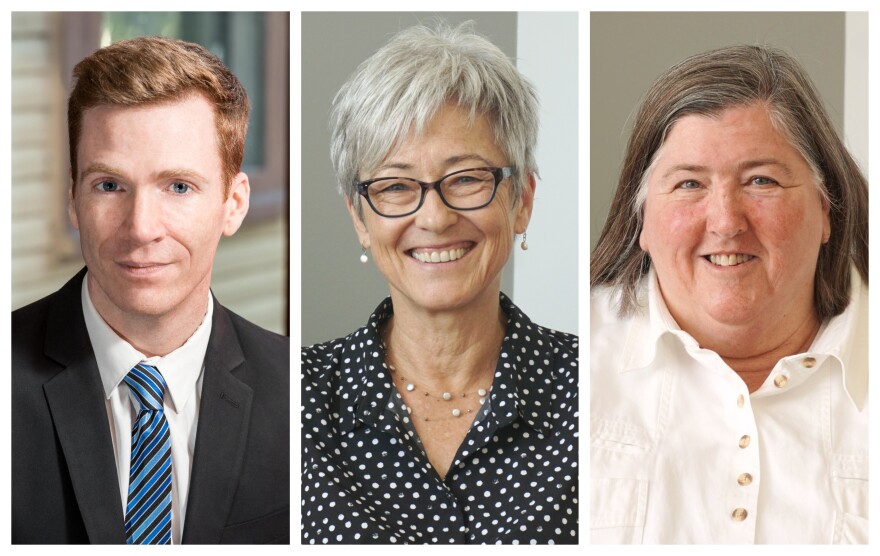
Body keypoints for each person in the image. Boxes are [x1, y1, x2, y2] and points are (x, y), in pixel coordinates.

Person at [301, 22, 578, 544]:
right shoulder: (296, 397)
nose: (434, 217)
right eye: (396, 186)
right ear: (360, 219)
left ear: (522, 200)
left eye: (466, 178)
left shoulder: (597, 388)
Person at [11, 36, 289, 544]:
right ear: (73, 198)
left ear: (233, 203)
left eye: (178, 186)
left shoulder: (299, 397)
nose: (141, 228)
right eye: (110, 185)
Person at [590, 45, 868, 544]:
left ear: (826, 210)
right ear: (642, 221)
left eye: (761, 181)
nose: (725, 222)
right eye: (689, 183)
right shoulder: (575, 359)